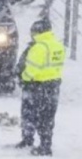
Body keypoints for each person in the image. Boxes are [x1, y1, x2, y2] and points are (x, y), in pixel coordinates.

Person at [15, 18, 66, 156]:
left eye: (33, 31)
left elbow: (31, 69)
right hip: (53, 85)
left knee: (29, 113)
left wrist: (23, 78)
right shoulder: (58, 45)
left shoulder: (38, 47)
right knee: (48, 116)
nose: (31, 34)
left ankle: (30, 140)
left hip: (36, 86)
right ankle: (46, 143)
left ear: (38, 31)